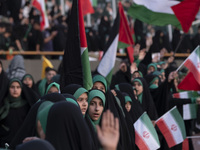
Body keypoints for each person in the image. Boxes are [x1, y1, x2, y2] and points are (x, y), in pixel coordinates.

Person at [0, 79, 34, 147]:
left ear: (21, 89)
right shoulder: (2, 105)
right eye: (12, 87)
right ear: (8, 88)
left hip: (22, 143)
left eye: (18, 87)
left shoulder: (27, 106)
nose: (15, 90)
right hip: (4, 143)